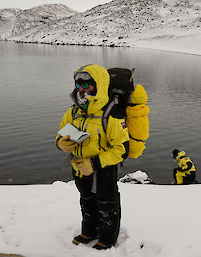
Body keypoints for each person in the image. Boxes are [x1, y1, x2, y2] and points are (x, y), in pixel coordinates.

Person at [56, 64, 129, 250]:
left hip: (103, 169)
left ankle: (108, 238)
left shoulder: (111, 114)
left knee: (107, 204)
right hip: (79, 168)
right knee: (86, 200)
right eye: (78, 83)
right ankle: (89, 232)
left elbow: (122, 149)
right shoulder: (73, 111)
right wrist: (61, 143)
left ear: (98, 85)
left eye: (86, 84)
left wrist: (94, 163)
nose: (81, 89)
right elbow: (61, 133)